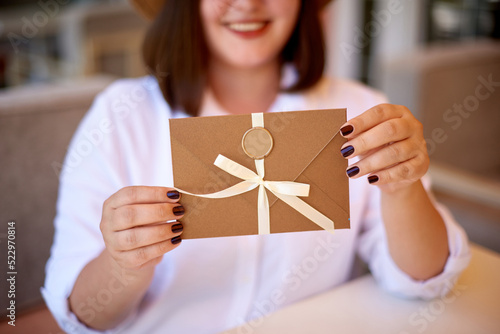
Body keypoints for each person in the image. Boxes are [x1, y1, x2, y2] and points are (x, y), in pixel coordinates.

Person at [42, 0, 471, 333]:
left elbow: (424, 280)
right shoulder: (120, 117)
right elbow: (83, 317)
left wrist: (402, 186)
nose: (247, 3)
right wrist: (123, 263)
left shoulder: (361, 112)